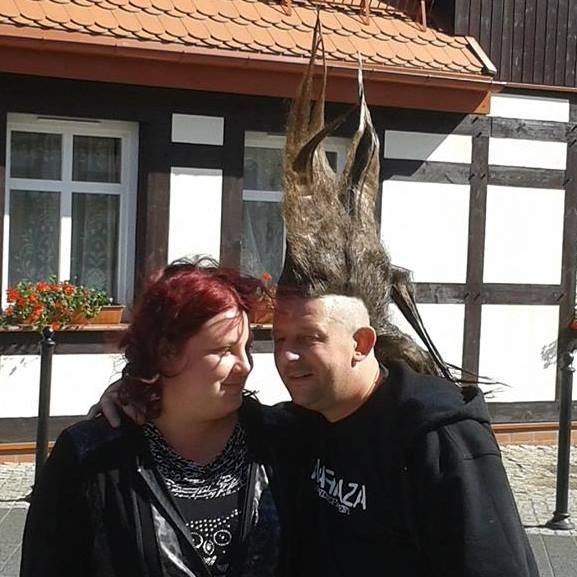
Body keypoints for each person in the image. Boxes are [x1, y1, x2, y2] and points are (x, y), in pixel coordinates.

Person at [96, 20, 539, 577]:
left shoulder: (437, 437)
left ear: (361, 343)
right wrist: (134, 392)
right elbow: (202, 410)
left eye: (307, 339)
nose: (285, 357)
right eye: (279, 338)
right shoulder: (304, 424)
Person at [20, 258, 280, 577]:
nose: (245, 366)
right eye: (225, 350)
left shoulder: (277, 441)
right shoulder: (92, 456)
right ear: (166, 352)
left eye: (247, 348)